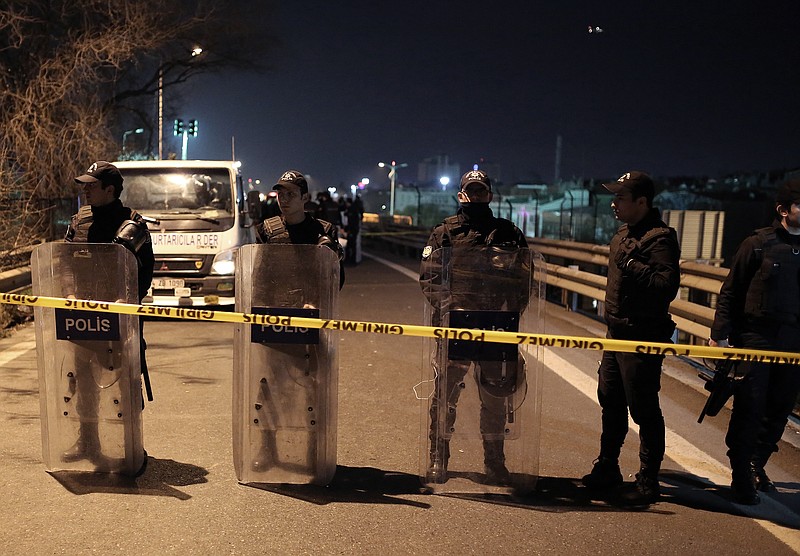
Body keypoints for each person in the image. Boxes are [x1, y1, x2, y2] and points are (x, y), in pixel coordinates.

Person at [419, 169, 528, 484]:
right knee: (445, 395)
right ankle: (438, 458)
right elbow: (429, 276)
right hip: (456, 327)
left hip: (496, 327)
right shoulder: (445, 233)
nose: (476, 196)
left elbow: (525, 277)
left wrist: (512, 312)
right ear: (461, 195)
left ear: (490, 196)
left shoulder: (509, 233)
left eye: (482, 191)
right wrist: (449, 309)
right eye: (471, 191)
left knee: (495, 398)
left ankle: (495, 463)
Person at [581, 171, 681, 504]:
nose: (614, 204)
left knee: (643, 407)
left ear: (642, 202)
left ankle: (648, 477)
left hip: (642, 336)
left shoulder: (660, 239)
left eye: (620, 198)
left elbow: (666, 287)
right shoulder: (622, 235)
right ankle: (608, 465)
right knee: (610, 400)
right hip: (615, 334)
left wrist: (632, 263)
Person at [708, 179, 800, 505]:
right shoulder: (758, 244)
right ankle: (741, 474)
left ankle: (755, 463)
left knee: (778, 411)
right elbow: (731, 291)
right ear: (783, 210)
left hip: (793, 343)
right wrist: (719, 335)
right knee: (750, 408)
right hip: (756, 338)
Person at [63, 160, 154, 464]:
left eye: (92, 185)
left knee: (126, 382)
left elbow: (144, 275)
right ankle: (88, 443)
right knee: (84, 384)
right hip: (83, 316)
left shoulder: (132, 224)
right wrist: (69, 293)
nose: (85, 190)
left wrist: (123, 300)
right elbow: (64, 264)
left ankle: (131, 444)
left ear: (110, 190)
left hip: (119, 319)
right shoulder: (79, 221)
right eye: (84, 185)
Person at [255, 170, 344, 287]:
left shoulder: (324, 230)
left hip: (312, 301)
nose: (284, 199)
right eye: (280, 194)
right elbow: (259, 278)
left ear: (305, 197)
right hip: (277, 302)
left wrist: (331, 257)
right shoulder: (266, 230)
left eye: (290, 194)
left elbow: (337, 280)